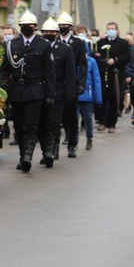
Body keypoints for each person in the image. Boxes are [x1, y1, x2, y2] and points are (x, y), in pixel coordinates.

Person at [0, 10, 56, 173]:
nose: (27, 28)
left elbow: (50, 72)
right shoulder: (12, 45)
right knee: (19, 125)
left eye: (29, 25)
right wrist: (2, 90)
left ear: (35, 27)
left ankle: (27, 156)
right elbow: (5, 70)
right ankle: (22, 155)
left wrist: (50, 94)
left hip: (36, 90)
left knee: (31, 125)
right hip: (17, 90)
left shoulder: (44, 45)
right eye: (23, 26)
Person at [37, 18, 75, 166]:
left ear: (57, 33)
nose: (49, 34)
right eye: (46, 32)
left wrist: (70, 94)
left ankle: (51, 151)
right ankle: (45, 150)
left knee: (53, 124)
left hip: (58, 92)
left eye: (52, 32)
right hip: (40, 91)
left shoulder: (66, 50)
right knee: (41, 125)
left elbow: (70, 74)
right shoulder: (38, 48)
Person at [56, 12, 87, 158]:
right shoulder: (54, 42)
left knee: (72, 115)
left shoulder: (79, 43)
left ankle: (72, 144)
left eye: (65, 26)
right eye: (60, 25)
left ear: (70, 27)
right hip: (56, 84)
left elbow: (83, 65)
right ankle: (53, 147)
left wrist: (81, 84)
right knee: (56, 116)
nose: (62, 28)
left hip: (71, 83)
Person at [94, 22, 130, 133]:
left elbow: (127, 56)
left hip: (116, 74)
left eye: (113, 29)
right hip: (103, 74)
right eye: (109, 28)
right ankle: (102, 121)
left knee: (115, 99)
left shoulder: (123, 43)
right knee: (103, 99)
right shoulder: (100, 43)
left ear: (117, 31)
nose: (111, 30)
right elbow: (96, 56)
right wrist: (103, 60)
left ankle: (111, 124)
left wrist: (115, 60)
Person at [78, 41, 102, 150]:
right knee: (73, 119)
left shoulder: (92, 61)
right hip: (75, 95)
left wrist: (98, 98)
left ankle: (89, 138)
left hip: (88, 95)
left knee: (88, 118)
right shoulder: (73, 60)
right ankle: (73, 141)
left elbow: (96, 80)